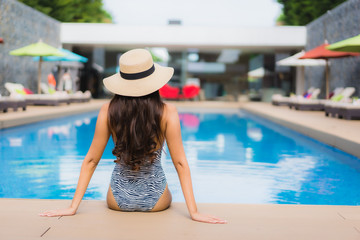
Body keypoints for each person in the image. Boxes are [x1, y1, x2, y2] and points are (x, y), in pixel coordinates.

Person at [39, 49, 226, 224]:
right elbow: (180, 163)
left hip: (118, 199)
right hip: (157, 200)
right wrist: (194, 212)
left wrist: (73, 207)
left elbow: (91, 160)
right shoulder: (168, 112)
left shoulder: (108, 111)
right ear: (154, 81)